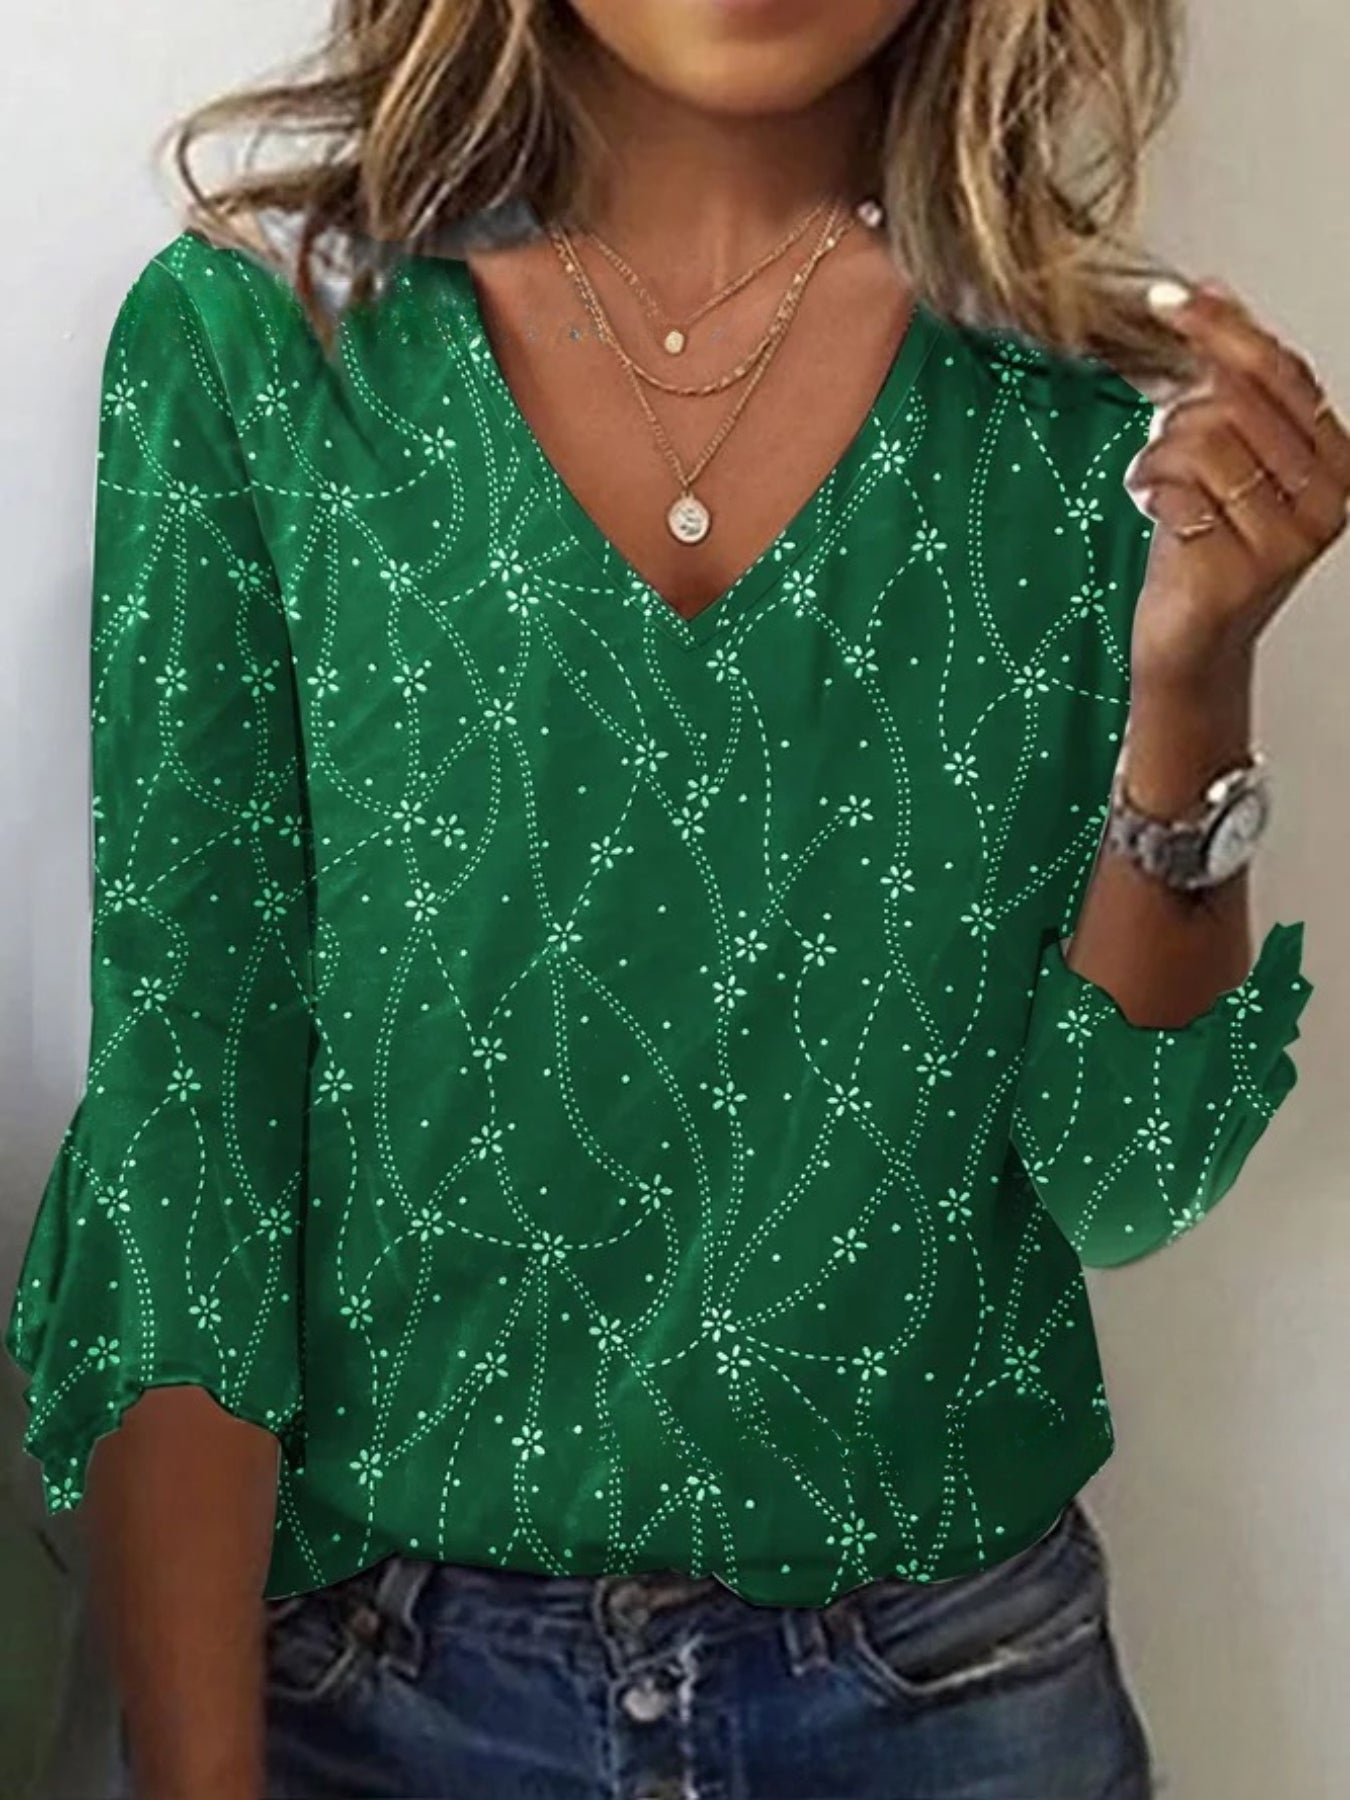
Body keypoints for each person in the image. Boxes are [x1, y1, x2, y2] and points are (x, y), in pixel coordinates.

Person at [6, 1, 1345, 1796]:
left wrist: (1193, 676)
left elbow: (1123, 1176)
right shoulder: (265, 351)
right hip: (366, 1694)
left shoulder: (1094, 408)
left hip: (947, 1694)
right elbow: (189, 1150)